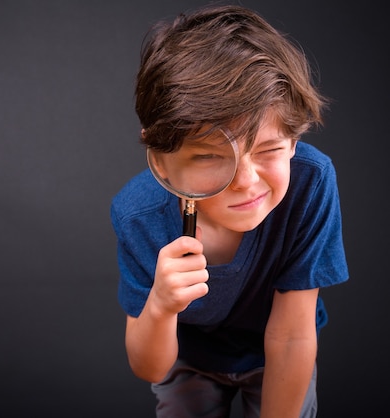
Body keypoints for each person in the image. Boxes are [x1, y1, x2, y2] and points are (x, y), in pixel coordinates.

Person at [110, 4, 349, 418]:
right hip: (187, 357)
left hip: (278, 350)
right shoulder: (139, 215)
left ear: (294, 141)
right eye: (208, 157)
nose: (245, 180)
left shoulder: (310, 182)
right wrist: (162, 305)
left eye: (270, 150)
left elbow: (292, 336)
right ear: (161, 159)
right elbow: (150, 366)